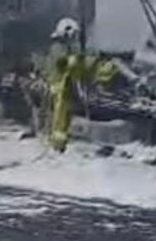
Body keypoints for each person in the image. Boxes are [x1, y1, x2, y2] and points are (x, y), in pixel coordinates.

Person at [43, 17, 117, 152]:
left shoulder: (69, 47)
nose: (74, 37)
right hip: (61, 85)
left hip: (67, 83)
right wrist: (81, 60)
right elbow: (63, 64)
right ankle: (57, 145)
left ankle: (59, 143)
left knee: (64, 115)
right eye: (73, 34)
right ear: (65, 33)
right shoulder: (57, 47)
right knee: (61, 116)